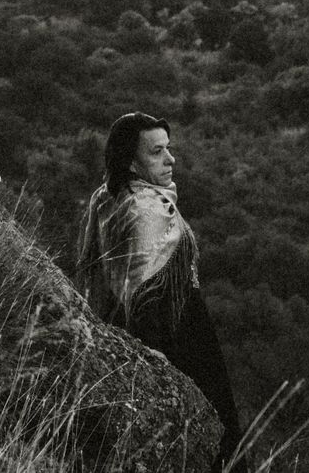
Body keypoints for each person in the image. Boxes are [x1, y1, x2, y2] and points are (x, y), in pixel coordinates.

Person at [72, 113, 242, 466]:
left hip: (120, 328)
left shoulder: (106, 197)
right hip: (178, 335)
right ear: (131, 162)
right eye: (156, 152)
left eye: (168, 148)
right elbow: (146, 291)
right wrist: (155, 357)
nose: (170, 159)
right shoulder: (148, 207)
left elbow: (98, 274)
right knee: (215, 441)